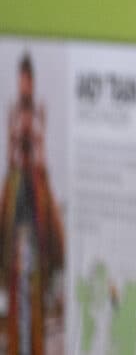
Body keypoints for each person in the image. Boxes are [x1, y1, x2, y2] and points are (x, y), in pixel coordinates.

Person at [0, 54, 64, 355]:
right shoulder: (12, 183)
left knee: (34, 336)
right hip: (16, 279)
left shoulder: (41, 181)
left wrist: (40, 153)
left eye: (28, 104)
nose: (25, 121)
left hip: (35, 278)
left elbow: (54, 236)